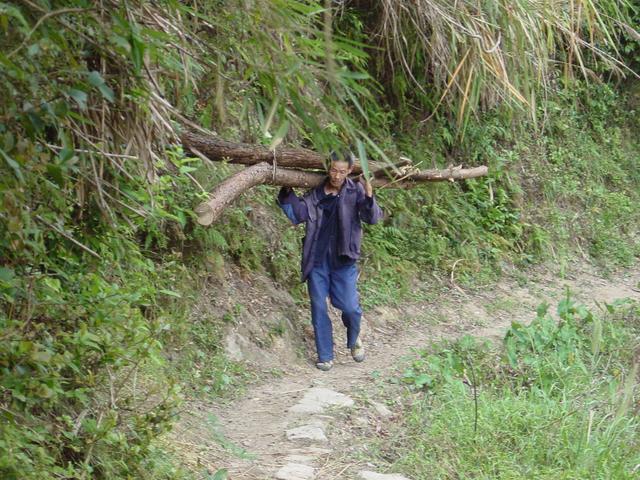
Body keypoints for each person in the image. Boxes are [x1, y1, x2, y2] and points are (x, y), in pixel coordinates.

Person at [277, 150, 383, 371]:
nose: (336, 176)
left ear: (349, 171)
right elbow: (297, 214)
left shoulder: (355, 192)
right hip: (317, 260)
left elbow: (372, 218)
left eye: (342, 171)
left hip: (343, 260)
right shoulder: (315, 194)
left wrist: (369, 193)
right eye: (333, 170)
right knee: (318, 306)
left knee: (350, 308)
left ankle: (354, 340)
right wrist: (286, 188)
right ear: (328, 168)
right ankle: (325, 356)